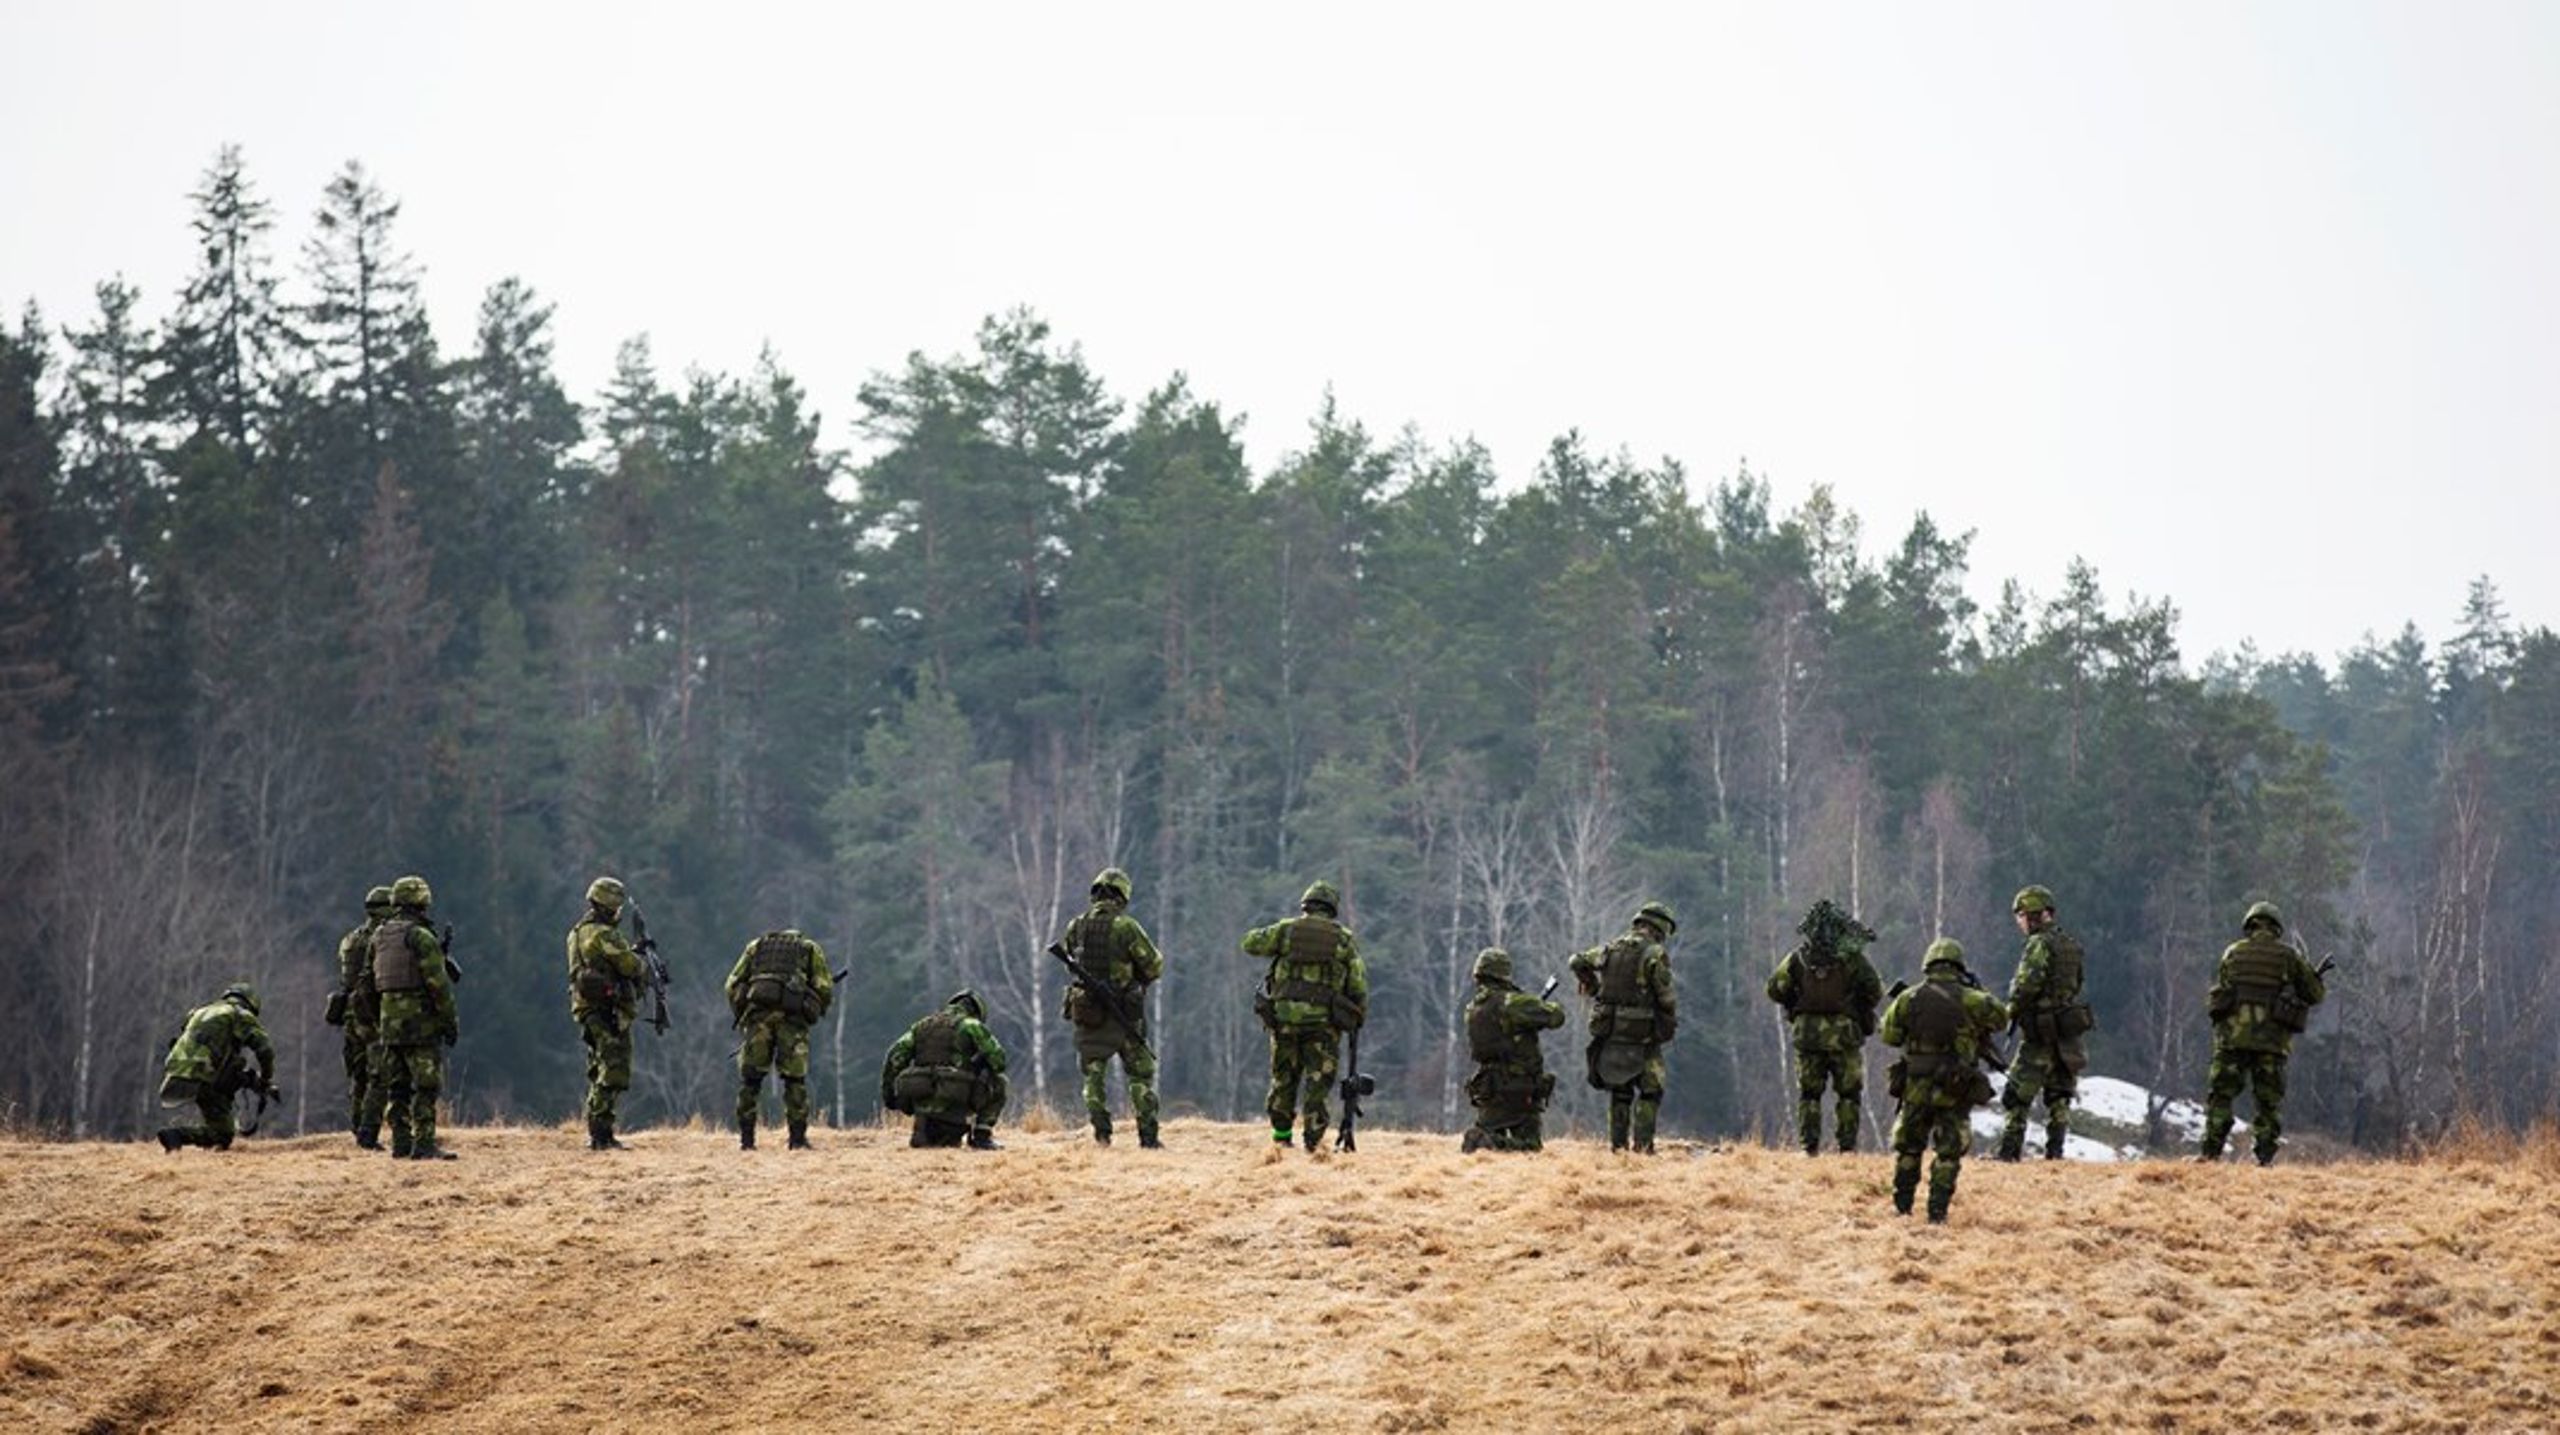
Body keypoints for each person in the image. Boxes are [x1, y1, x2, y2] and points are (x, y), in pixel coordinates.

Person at [1880, 939, 2010, 1223]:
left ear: (1928, 965)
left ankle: (1901, 1208)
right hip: (1954, 1087)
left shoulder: (1909, 998)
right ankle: (1936, 1214)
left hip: (1915, 1086)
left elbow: (1888, 1036)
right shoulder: (1972, 999)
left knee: (1909, 1147)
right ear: (1958, 966)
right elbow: (2001, 1018)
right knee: (1949, 1152)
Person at [1240, 880, 1369, 1153]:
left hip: (1284, 1022)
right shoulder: (1343, 938)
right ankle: (1313, 1144)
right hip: (1323, 1027)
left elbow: (1249, 943)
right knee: (1317, 1085)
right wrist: (1358, 1015)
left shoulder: (1286, 930)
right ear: (1332, 908)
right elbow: (1357, 984)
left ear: (1306, 905)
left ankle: (1282, 1137)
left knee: (1283, 1080)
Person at [2199, 901, 2327, 1165]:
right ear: (2276, 927)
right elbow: (2314, 995)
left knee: (2221, 1096)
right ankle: (2264, 1159)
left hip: (2232, 1040)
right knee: (2268, 1103)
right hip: (2271, 1043)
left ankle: (2211, 1153)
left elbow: (2223, 989)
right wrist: (2313, 977)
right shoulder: (2288, 957)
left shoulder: (2232, 953)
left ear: (2250, 925)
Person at [1055, 867, 1166, 1148]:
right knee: (1140, 1075)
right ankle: (1148, 1138)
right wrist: (1135, 979)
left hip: (1088, 1015)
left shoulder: (1075, 926)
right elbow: (1154, 965)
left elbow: (1073, 964)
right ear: (1122, 895)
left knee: (1093, 1077)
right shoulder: (1126, 927)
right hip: (1123, 1014)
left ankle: (1102, 1135)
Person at [1765, 899, 1885, 1155]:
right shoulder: (1853, 959)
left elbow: (1774, 989)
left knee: (1809, 1094)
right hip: (1845, 1036)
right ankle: (1847, 1148)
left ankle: (1809, 1148)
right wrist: (1856, 1007)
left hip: (1807, 1036)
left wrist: (1795, 1001)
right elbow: (1875, 991)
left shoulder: (1797, 958)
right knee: (1849, 1095)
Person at [1570, 901, 1679, 1153]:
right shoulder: (1653, 953)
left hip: (1612, 1032)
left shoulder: (1610, 949)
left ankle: (1618, 1149)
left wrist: (1593, 988)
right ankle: (1643, 1148)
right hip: (1643, 1035)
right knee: (1651, 1090)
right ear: (1659, 927)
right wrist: (1668, 1021)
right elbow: (1666, 997)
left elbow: (1576, 961)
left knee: (1620, 1092)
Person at [1998, 884, 2092, 1161]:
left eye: (2021, 916)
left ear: (2032, 915)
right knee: (2059, 1094)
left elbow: (2027, 984)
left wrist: (2010, 1010)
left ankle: (2009, 1152)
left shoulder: (2039, 944)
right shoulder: (2070, 944)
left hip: (2040, 1031)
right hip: (2066, 1028)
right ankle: (2055, 1153)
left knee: (2017, 1093)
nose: (2020, 923)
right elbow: (2077, 983)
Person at [371, 873, 459, 1160]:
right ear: (422, 901)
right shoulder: (420, 936)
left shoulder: (381, 934)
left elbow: (371, 980)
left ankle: (400, 1142)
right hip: (420, 1022)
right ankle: (423, 1144)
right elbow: (438, 985)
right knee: (426, 1083)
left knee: (397, 1086)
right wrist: (449, 1022)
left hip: (389, 1022)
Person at [726, 926, 834, 1150]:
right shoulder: (809, 949)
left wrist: (743, 1014)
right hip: (792, 1024)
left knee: (750, 1081)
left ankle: (746, 1141)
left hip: (758, 1023)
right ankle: (797, 1140)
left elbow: (732, 985)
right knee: (795, 1081)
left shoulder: (755, 947)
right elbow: (824, 987)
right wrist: (812, 1010)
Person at [567, 876, 646, 1151]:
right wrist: (640, 960)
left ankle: (599, 1131)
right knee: (613, 1068)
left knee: (598, 1067)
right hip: (607, 1010)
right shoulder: (604, 934)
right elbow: (629, 966)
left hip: (585, 1008)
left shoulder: (577, 933)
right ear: (611, 905)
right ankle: (601, 1134)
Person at [1460, 947, 1566, 1152]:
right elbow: (1556, 1017)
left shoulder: (1473, 1008)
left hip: (1488, 1085)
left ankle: (1485, 1142)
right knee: (1530, 1148)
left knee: (1489, 1136)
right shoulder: (1512, 1003)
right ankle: (1489, 1144)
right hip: (1518, 1085)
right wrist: (1534, 1007)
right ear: (1504, 974)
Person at [156, 983, 278, 1152]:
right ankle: (176, 1136)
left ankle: (183, 1141)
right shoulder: (240, 1014)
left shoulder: (199, 1011)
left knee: (217, 1116)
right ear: (250, 1004)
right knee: (223, 1134)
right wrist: (266, 1078)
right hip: (205, 1074)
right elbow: (265, 1050)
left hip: (177, 1070)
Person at [880, 989, 1006, 1149]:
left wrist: (890, 1097)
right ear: (976, 1011)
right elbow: (999, 1062)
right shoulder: (971, 1025)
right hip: (955, 1098)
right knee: (1000, 1081)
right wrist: (979, 1064)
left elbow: (894, 1057)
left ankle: (929, 1132)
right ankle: (982, 1136)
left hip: (922, 1103)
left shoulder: (921, 1025)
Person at [327, 884, 393, 1148]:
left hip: (351, 1013)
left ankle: (357, 1127)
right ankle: (369, 1131)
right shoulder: (381, 938)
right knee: (380, 1075)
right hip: (372, 1012)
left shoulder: (350, 939)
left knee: (358, 1074)